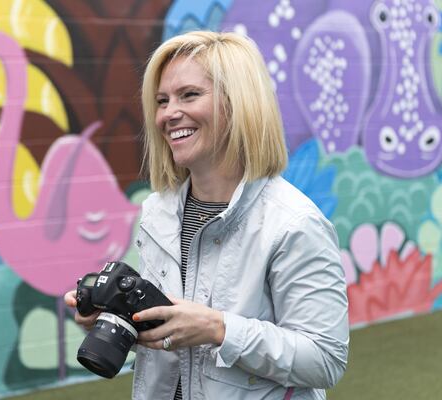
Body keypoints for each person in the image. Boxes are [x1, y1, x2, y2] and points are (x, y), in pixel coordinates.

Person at [65, 30, 349, 400]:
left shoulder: (294, 223)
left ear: (239, 103)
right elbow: (175, 340)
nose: (168, 114)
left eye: (189, 95)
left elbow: (325, 359)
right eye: (162, 100)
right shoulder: (158, 211)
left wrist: (219, 329)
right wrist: (117, 321)